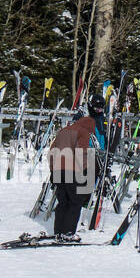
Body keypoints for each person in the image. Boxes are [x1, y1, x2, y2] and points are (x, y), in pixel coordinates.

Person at [48, 96, 102, 236]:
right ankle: (68, 233)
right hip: (72, 172)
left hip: (58, 171)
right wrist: (85, 172)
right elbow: (81, 153)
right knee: (75, 203)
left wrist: (53, 171)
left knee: (62, 203)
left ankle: (58, 232)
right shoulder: (84, 132)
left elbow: (52, 151)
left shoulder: (64, 130)